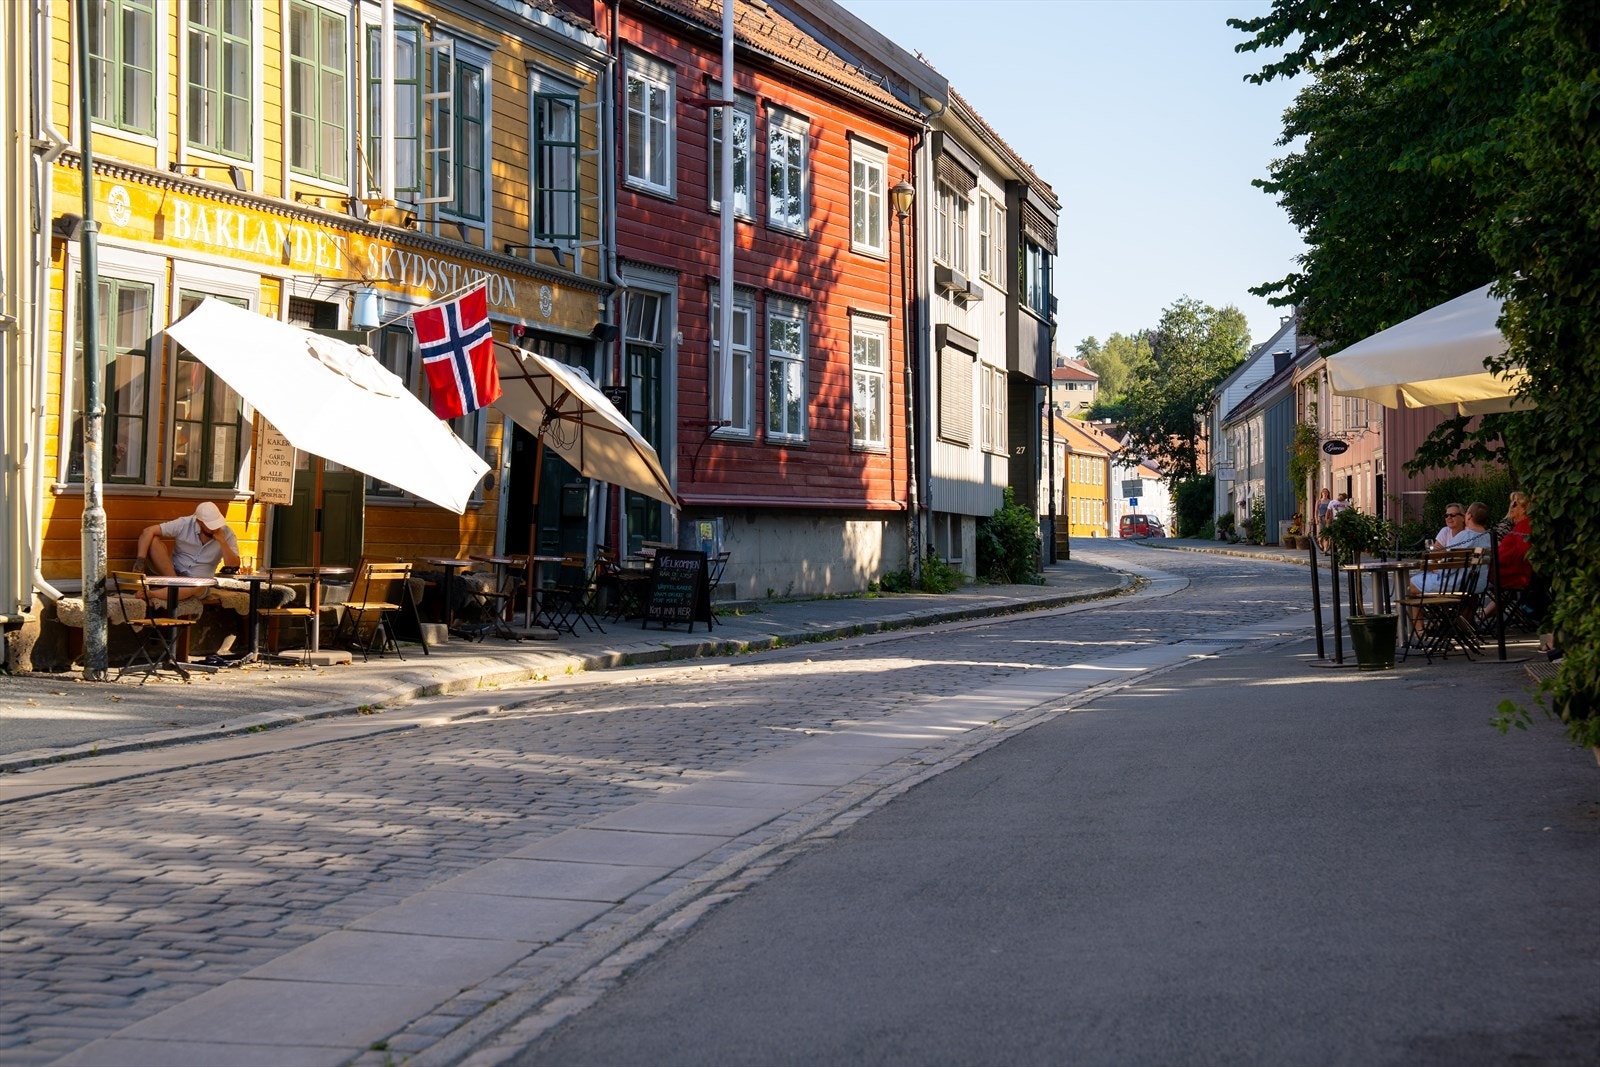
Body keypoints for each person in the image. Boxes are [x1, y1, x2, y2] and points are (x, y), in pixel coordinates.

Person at [134, 501, 240, 599]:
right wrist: (140, 561)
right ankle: (175, 584)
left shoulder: (227, 533)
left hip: (201, 582)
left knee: (197, 586)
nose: (214, 528)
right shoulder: (185, 523)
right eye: (210, 525)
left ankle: (152, 594)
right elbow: (148, 531)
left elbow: (234, 565)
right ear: (199, 521)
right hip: (174, 573)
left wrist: (223, 542)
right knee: (153, 540)